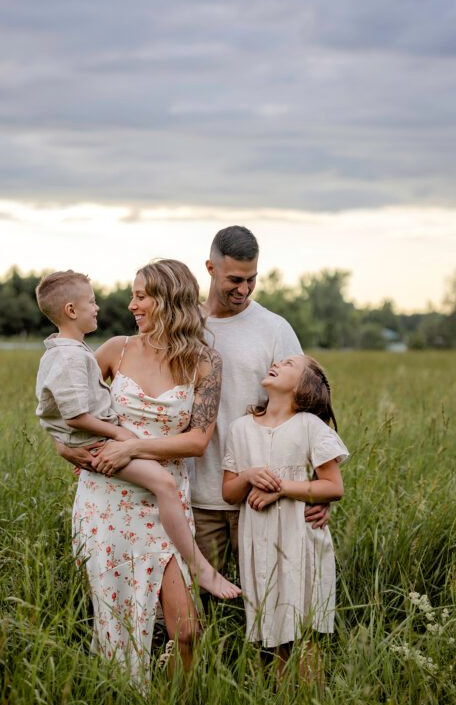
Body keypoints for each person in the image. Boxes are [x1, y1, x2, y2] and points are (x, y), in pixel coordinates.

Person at [56, 259, 239, 680]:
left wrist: (133, 447)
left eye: (141, 296)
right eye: (134, 295)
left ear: (169, 301)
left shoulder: (204, 362)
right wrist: (67, 451)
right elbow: (65, 411)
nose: (132, 304)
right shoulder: (114, 350)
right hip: (106, 503)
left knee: (187, 630)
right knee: (117, 621)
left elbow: (196, 440)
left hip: (166, 507)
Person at [190, 225, 329, 575]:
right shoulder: (184, 325)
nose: (244, 289)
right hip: (193, 494)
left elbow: (307, 408)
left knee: (266, 597)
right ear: (211, 268)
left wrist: (316, 489)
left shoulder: (274, 329)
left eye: (252, 279)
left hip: (259, 493)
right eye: (235, 279)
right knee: (201, 602)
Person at [222, 355, 348, 674]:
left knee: (302, 626)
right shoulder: (240, 429)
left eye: (290, 364)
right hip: (258, 540)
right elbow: (229, 492)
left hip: (299, 538)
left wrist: (282, 488)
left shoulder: (309, 426)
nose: (278, 363)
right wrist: (248, 475)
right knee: (269, 627)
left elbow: (333, 487)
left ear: (305, 385)